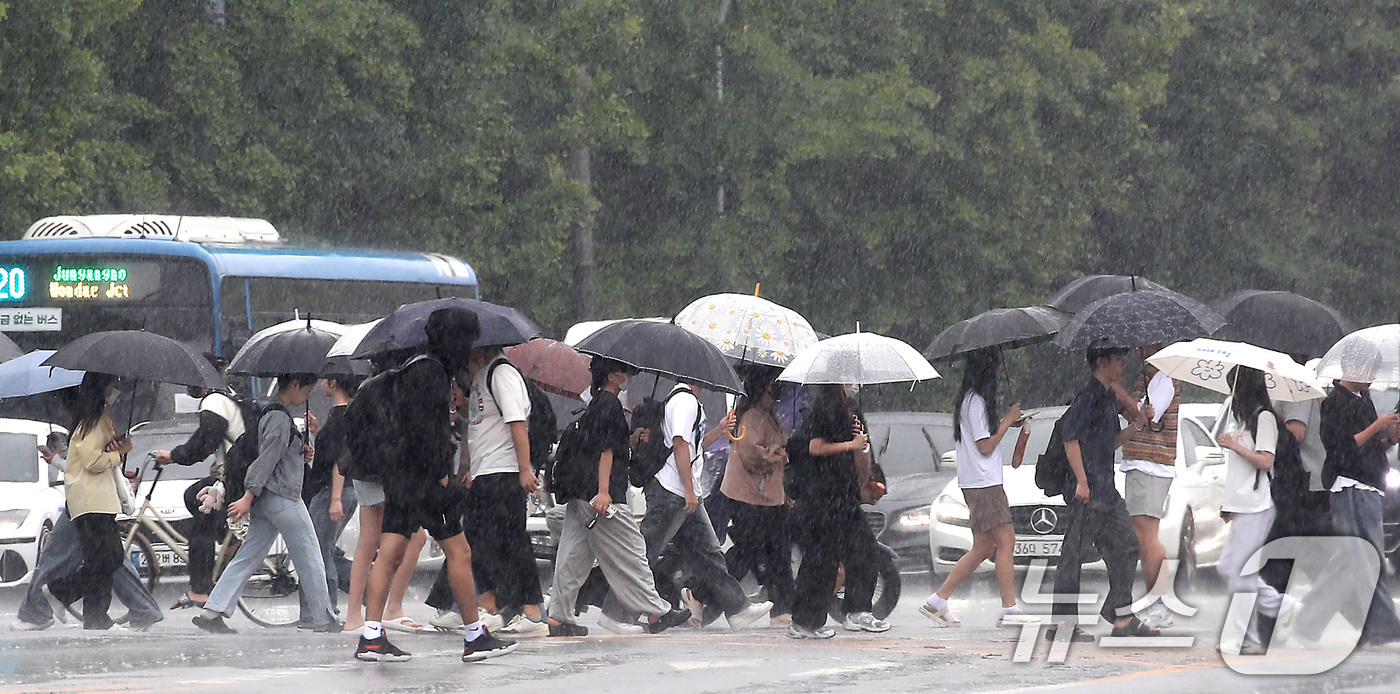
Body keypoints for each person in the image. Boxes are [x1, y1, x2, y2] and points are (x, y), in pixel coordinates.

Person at [355, 307, 517, 663]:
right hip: (424, 480)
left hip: (401, 477)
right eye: (469, 339)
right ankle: (475, 636)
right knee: (460, 552)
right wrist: (441, 472)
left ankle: (370, 636)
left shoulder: (416, 366)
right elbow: (425, 432)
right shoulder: (431, 373)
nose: (471, 347)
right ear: (456, 339)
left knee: (390, 552)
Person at [546, 358, 691, 636]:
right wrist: (603, 492)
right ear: (613, 376)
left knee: (573, 556)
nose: (628, 379)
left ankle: (559, 616)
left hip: (581, 493)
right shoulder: (610, 405)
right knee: (632, 550)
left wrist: (631, 438)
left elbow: (604, 443)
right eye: (625, 373)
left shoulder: (597, 403)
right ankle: (655, 612)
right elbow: (605, 451)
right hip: (602, 497)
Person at [622, 379, 772, 632]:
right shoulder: (685, 401)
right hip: (673, 492)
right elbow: (680, 445)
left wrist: (719, 431)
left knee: (708, 553)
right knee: (643, 553)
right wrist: (689, 489)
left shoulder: (688, 402)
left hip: (684, 492)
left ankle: (738, 608)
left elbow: (694, 448)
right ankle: (616, 612)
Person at [193, 373, 338, 634]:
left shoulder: (264, 408)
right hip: (282, 496)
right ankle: (323, 616)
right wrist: (248, 495)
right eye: (306, 391)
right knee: (310, 554)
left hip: (266, 498)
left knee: (248, 556)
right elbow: (267, 459)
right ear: (294, 385)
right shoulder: (279, 416)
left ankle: (212, 611)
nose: (307, 397)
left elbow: (271, 453)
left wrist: (299, 452)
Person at [920, 348, 1037, 628]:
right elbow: (984, 447)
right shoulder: (974, 403)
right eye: (995, 367)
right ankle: (1009, 610)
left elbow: (984, 438)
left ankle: (938, 601)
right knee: (1007, 541)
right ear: (987, 371)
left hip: (979, 481)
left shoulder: (973, 402)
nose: (998, 373)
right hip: (984, 483)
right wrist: (1008, 421)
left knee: (983, 546)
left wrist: (1007, 423)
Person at [1050, 348, 1158, 641]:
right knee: (1073, 556)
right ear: (1101, 362)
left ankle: (1120, 615)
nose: (1124, 364)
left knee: (1127, 547)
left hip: (1107, 492)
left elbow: (1111, 442)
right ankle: (1060, 624)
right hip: (1088, 491)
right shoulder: (1088, 398)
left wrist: (1137, 424)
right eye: (1118, 360)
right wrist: (1082, 481)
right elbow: (1069, 437)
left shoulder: (1109, 398)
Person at [1292, 358, 1400, 647]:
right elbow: (1341, 448)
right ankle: (1383, 627)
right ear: (1353, 367)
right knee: (1367, 558)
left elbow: (1368, 449)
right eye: (1369, 371)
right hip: (1350, 486)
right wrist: (1377, 424)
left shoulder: (1364, 399)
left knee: (1351, 561)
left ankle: (1306, 622)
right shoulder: (1334, 401)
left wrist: (1389, 440)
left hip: (1370, 484)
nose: (1372, 379)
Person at [13, 433, 163, 632]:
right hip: (97, 501)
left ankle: (40, 609)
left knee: (58, 557)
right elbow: (87, 466)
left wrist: (116, 455)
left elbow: (89, 466)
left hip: (86, 502)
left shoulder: (89, 424)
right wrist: (58, 460)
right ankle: (139, 609)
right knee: (111, 559)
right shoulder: (95, 422)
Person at [448, 345, 547, 638]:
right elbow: (484, 422)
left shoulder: (502, 373)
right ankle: (489, 606)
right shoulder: (482, 376)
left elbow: (517, 422)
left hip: (503, 471)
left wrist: (525, 468)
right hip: (485, 472)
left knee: (512, 540)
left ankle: (531, 612)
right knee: (480, 540)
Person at [787, 384, 887, 639]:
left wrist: (859, 446)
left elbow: (858, 451)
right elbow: (815, 447)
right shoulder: (824, 409)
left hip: (843, 496)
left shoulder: (849, 409)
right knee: (822, 561)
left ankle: (856, 611)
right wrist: (849, 444)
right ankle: (805, 620)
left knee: (863, 550)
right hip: (822, 497)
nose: (853, 383)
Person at [343, 351, 429, 635]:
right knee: (406, 537)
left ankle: (363, 613)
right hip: (380, 471)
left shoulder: (369, 387)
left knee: (377, 541)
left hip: (369, 470)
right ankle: (380, 609)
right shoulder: (388, 388)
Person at [43, 373, 131, 630]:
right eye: (113, 385)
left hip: (91, 499)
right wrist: (119, 454)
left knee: (106, 558)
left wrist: (113, 448)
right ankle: (76, 602)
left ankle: (87, 609)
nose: (116, 390)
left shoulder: (88, 419)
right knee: (107, 558)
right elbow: (93, 461)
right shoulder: (95, 420)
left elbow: (85, 457)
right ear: (101, 389)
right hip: (94, 501)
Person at [1214, 366, 1290, 655]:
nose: (1231, 394)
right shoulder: (1242, 421)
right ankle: (1284, 606)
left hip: (1257, 505)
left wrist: (1234, 446)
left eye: (1233, 386)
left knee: (1241, 574)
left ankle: (1245, 638)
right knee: (1227, 569)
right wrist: (1227, 505)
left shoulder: (1264, 418)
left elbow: (1265, 461)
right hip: (1240, 505)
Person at [155, 379, 243, 610]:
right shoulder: (227, 397)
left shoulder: (214, 400)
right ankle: (228, 538)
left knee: (201, 523)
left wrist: (174, 455)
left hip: (235, 478)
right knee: (192, 495)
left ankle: (200, 590)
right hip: (237, 473)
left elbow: (204, 442)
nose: (188, 387)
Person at [717, 370, 794, 626]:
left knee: (778, 552)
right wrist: (778, 455)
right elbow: (752, 455)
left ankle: (782, 608)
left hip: (770, 496)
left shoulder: (768, 415)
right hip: (749, 496)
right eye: (773, 385)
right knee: (749, 551)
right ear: (762, 388)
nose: (777, 391)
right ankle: (701, 591)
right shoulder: (750, 416)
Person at [1118, 343, 1178, 628]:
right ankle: (1157, 599)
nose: (1138, 347)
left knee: (1146, 535)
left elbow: (1149, 415)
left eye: (1144, 342)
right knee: (1141, 534)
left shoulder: (1164, 376)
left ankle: (1161, 602)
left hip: (1151, 463)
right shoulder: (1147, 375)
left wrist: (1121, 395)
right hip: (1141, 462)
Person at [296, 375, 363, 626]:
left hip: (332, 492)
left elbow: (339, 461)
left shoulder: (341, 417)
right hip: (335, 491)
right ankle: (321, 610)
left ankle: (324, 610)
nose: (321, 384)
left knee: (317, 553)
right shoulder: (342, 416)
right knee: (322, 551)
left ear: (334, 384)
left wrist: (335, 498)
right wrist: (316, 432)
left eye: (325, 381)